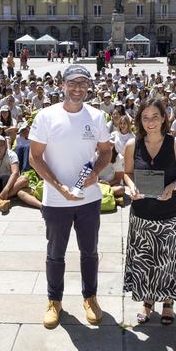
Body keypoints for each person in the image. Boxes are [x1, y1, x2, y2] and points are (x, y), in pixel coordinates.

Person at [28, 64, 112, 329]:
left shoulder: (97, 117)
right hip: (56, 199)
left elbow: (106, 153)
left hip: (88, 198)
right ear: (62, 85)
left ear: (89, 87)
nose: (77, 89)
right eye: (72, 83)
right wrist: (58, 187)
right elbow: (35, 158)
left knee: (90, 252)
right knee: (55, 253)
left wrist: (95, 173)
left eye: (83, 84)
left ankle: (90, 297)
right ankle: (54, 301)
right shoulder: (45, 116)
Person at [123, 98, 176, 325]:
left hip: (169, 215)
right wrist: (130, 186)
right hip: (142, 213)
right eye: (145, 117)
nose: (150, 122)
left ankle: (168, 303)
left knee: (168, 261)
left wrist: (173, 186)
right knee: (145, 261)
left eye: (155, 117)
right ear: (139, 120)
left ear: (164, 118)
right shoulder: (132, 145)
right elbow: (127, 173)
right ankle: (147, 303)